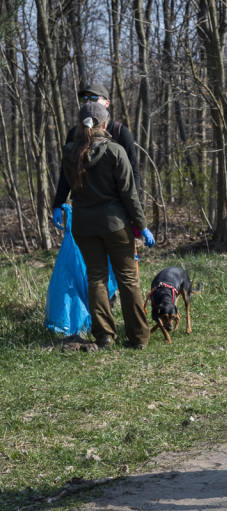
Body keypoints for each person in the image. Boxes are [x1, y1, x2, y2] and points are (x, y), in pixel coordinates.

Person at [59, 101, 154, 349]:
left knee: (96, 279)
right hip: (116, 226)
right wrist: (142, 226)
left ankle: (105, 337)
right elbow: (129, 195)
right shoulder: (115, 151)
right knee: (128, 280)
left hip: (84, 227)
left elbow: (67, 185)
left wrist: (58, 205)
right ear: (104, 124)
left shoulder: (69, 153)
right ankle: (139, 338)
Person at [53, 84, 142, 222]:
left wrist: (133, 213)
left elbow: (133, 173)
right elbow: (66, 173)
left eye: (94, 97)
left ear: (107, 103)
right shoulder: (74, 134)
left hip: (116, 215)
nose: (89, 101)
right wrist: (58, 204)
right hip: (84, 214)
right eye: (85, 98)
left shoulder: (120, 132)